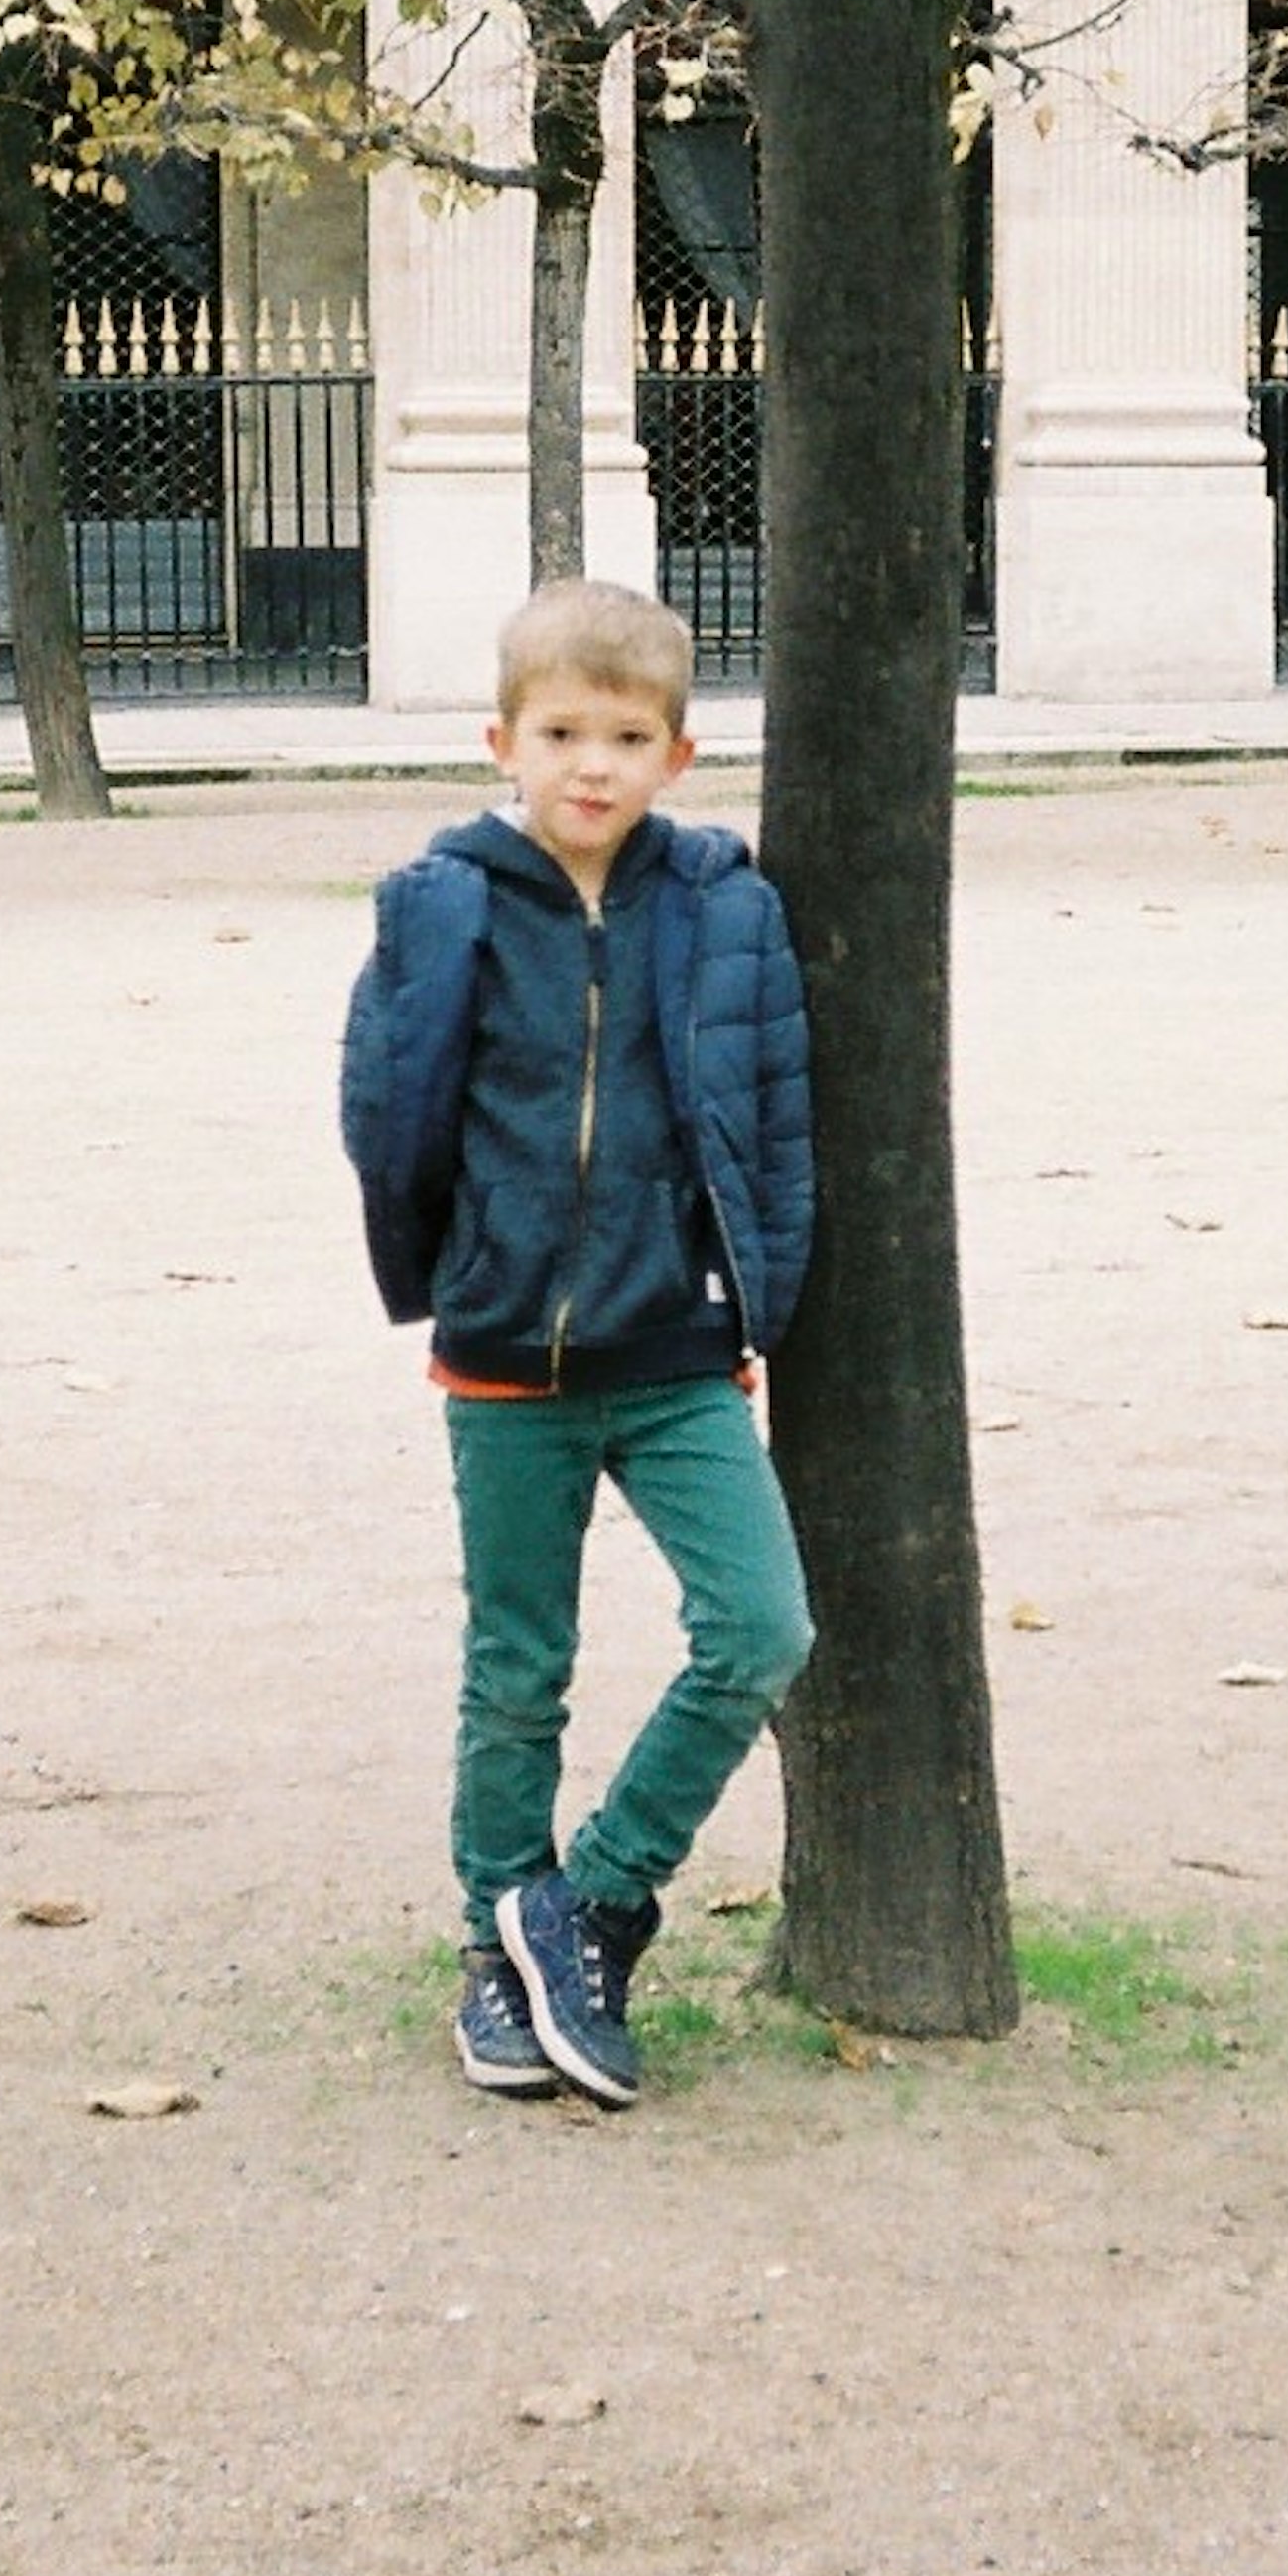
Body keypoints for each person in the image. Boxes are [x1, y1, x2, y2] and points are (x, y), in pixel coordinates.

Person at [339, 579, 815, 2108]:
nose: (591, 766)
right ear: (503, 741)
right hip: (506, 1365)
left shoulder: (727, 907)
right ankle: (498, 1950)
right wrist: (459, 1272)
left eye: (626, 736)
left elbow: (776, 1125)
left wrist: (750, 1297)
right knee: (515, 1673)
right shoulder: (440, 903)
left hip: (675, 1356)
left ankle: (592, 1900)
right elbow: (385, 1107)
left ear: (678, 755)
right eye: (561, 734)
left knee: (762, 1629)